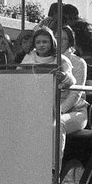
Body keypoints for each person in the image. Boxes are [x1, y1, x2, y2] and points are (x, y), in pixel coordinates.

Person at [21, 25, 87, 154]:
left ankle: (52, 168)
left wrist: (57, 110)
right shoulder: (32, 57)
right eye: (57, 38)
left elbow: (75, 92)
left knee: (56, 125)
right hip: (42, 107)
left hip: (71, 110)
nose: (59, 41)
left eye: (63, 39)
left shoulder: (75, 62)